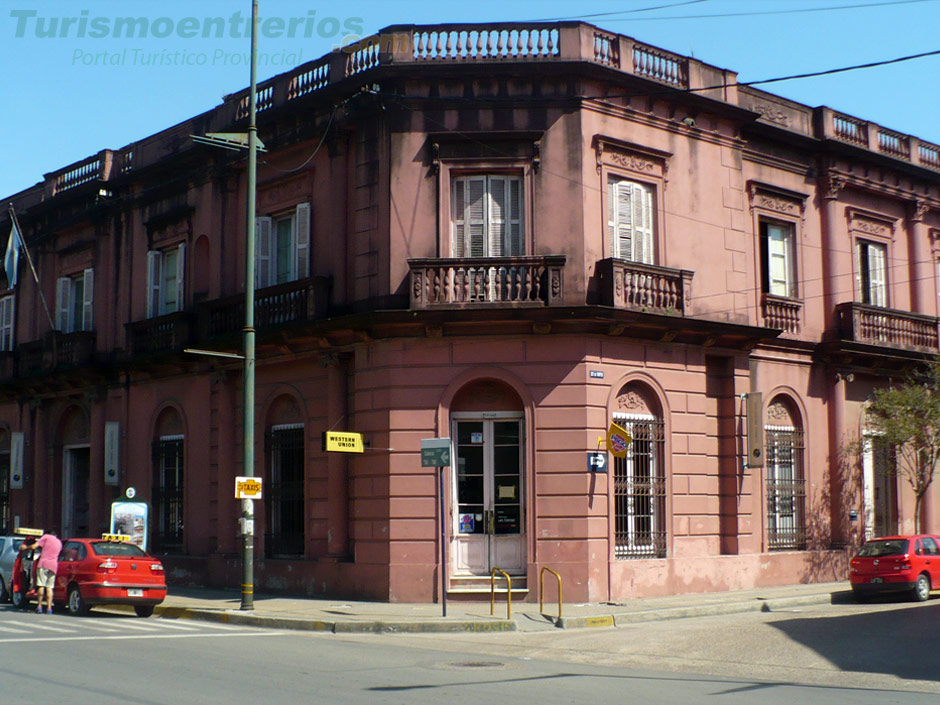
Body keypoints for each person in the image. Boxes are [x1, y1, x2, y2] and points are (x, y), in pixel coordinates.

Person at [33, 529, 62, 614]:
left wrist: (26, 548)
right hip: (53, 566)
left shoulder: (46, 537)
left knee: (41, 585)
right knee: (49, 587)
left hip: (43, 564)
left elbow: (34, 546)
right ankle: (49, 608)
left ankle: (39, 606)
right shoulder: (59, 542)